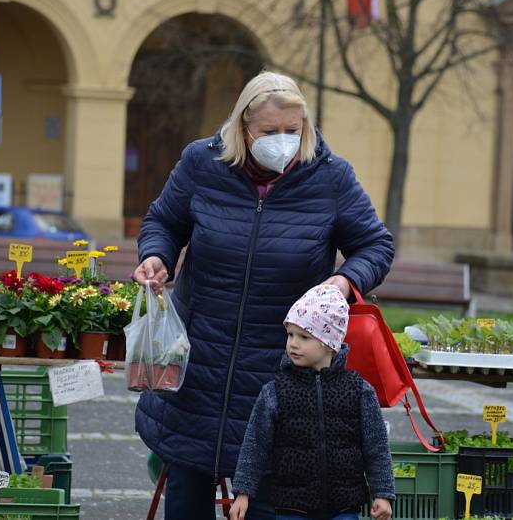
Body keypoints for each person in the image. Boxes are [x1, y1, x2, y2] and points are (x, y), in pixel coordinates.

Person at [133, 70, 394, 520]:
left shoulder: (331, 177)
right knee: (186, 491)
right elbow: (164, 221)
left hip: (282, 369)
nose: (284, 142)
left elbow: (375, 245)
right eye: (270, 132)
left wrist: (344, 281)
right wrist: (157, 255)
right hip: (198, 361)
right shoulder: (201, 163)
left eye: (294, 131)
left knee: (270, 501)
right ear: (243, 128)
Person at [229, 284, 394, 520]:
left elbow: (376, 447)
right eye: (290, 334)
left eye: (304, 336)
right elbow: (255, 445)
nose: (293, 343)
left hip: (344, 505)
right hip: (291, 504)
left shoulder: (358, 390)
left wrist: (383, 493)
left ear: (329, 343)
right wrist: (243, 492)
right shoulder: (275, 390)